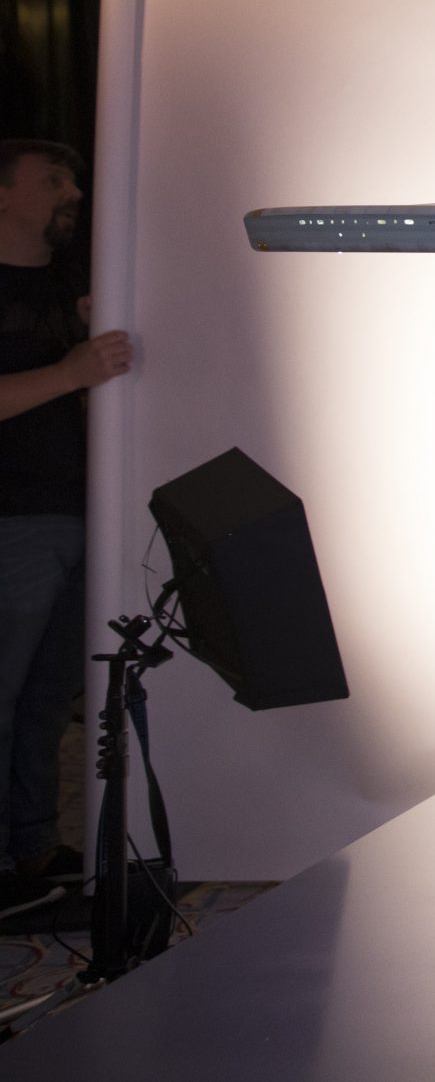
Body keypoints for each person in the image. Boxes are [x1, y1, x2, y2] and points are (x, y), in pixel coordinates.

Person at [0, 140, 131, 918]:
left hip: (77, 513)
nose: (73, 192)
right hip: (11, 519)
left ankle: (33, 849)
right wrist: (71, 372)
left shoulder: (68, 285)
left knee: (47, 698)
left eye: (73, 179)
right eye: (52, 180)